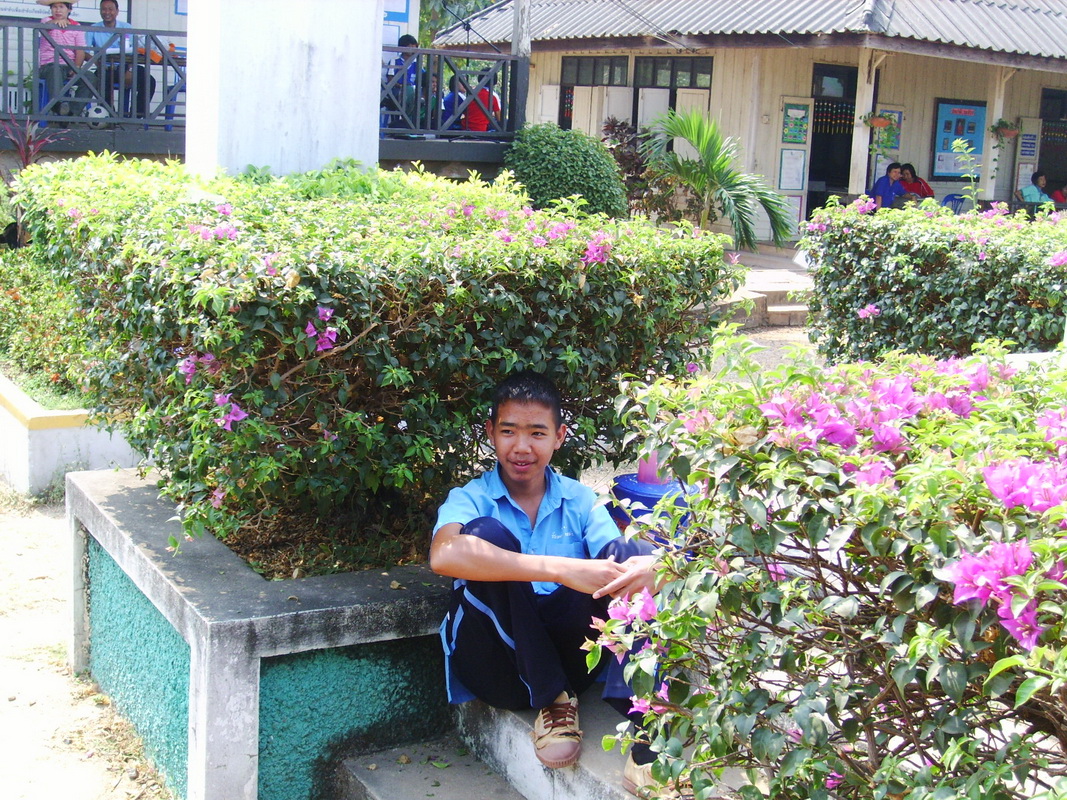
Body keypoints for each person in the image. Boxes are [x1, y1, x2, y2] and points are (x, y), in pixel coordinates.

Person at [429, 370, 669, 797]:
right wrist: (558, 569)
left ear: (559, 437)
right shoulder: (469, 497)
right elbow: (444, 555)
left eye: (537, 433)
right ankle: (553, 699)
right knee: (485, 535)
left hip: (571, 660)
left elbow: (619, 560)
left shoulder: (580, 499)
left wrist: (652, 567)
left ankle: (647, 726)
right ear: (490, 433)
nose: (522, 447)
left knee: (628, 552)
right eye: (508, 431)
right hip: (495, 666)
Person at [85, 0, 156, 118]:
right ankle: (109, 116)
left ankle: (136, 116)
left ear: (117, 11)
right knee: (100, 80)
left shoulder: (126, 27)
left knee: (149, 80)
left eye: (110, 9)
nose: (107, 12)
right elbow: (85, 52)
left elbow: (134, 50)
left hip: (126, 66)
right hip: (105, 67)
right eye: (104, 9)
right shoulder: (93, 28)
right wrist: (98, 63)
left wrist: (129, 70)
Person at [36, 1, 90, 120]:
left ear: (69, 9)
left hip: (69, 66)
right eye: (54, 7)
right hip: (49, 66)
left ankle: (72, 112)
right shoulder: (46, 20)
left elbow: (80, 51)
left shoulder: (77, 26)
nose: (58, 10)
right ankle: (58, 106)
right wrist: (55, 22)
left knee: (90, 78)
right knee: (55, 70)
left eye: (61, 7)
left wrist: (76, 68)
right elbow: (44, 27)